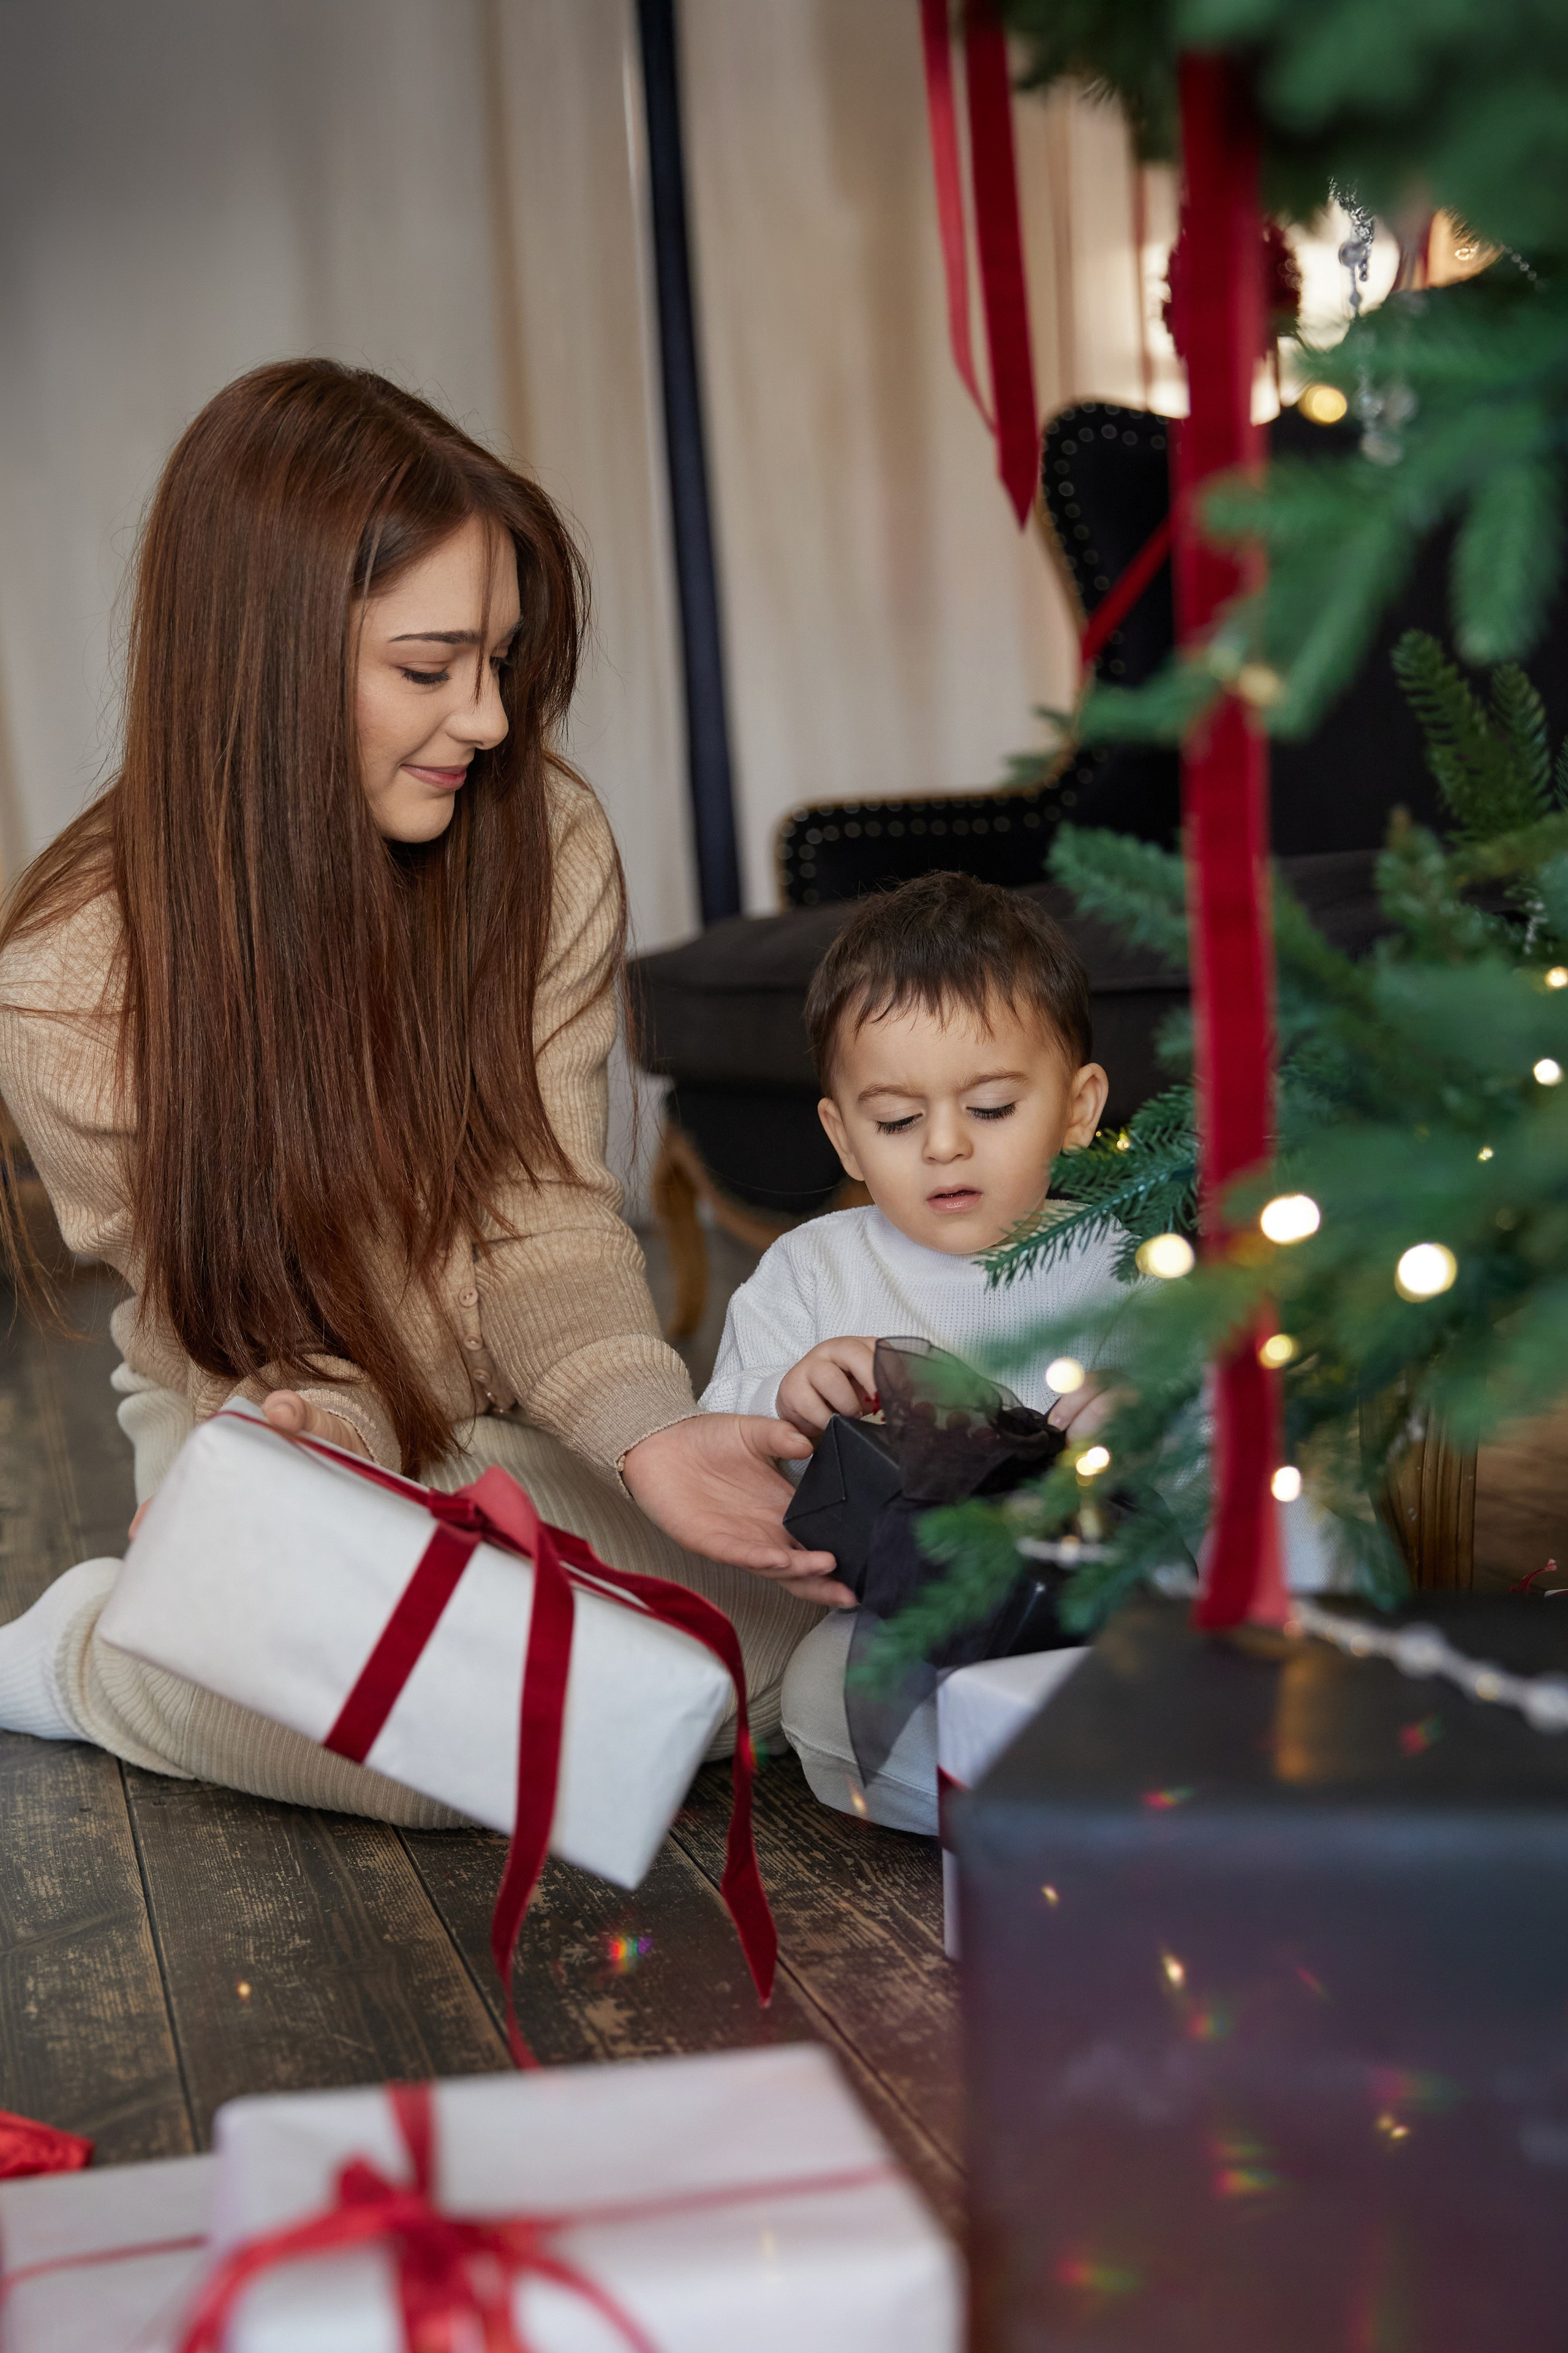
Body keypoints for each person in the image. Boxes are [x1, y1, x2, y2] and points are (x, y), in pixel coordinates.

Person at [0, 360, 842, 1819]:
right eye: (426, 666)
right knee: (462, 1750)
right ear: (259, 664)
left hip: (516, 1400)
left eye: (500, 660)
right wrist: (326, 1449)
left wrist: (645, 1431)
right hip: (267, 1407)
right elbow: (246, 1325)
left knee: (767, 1645)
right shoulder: (68, 980)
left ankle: (273, 1642)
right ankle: (93, 1648)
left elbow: (541, 1216)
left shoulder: (540, 843)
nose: (491, 722)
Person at [701, 872, 1137, 1834]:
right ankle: (1040, 1814)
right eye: (897, 1121)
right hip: (911, 1619)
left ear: (1076, 1108)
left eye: (989, 1108)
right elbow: (714, 1434)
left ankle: (1123, 1781)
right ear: (844, 1134)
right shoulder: (813, 1267)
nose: (944, 1146)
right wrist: (787, 1394)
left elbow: (1218, 1425)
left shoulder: (1119, 1260)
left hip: (1098, 1608)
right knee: (818, 1692)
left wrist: (1140, 1409)